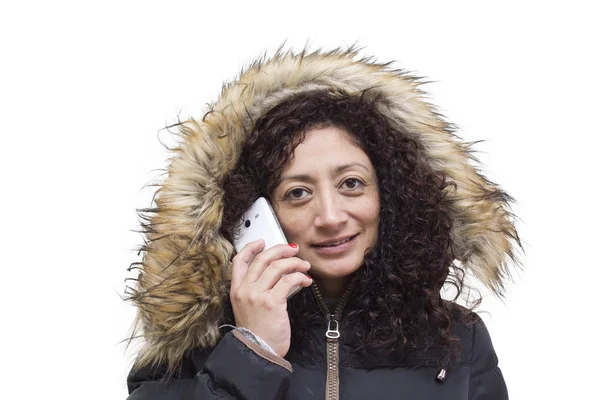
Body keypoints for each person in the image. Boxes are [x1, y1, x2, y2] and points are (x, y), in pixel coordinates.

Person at [125, 48, 521, 400]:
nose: (331, 217)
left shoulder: (460, 340)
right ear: (253, 212)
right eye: (297, 193)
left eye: (351, 184)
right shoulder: (195, 341)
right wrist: (251, 349)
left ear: (392, 195)